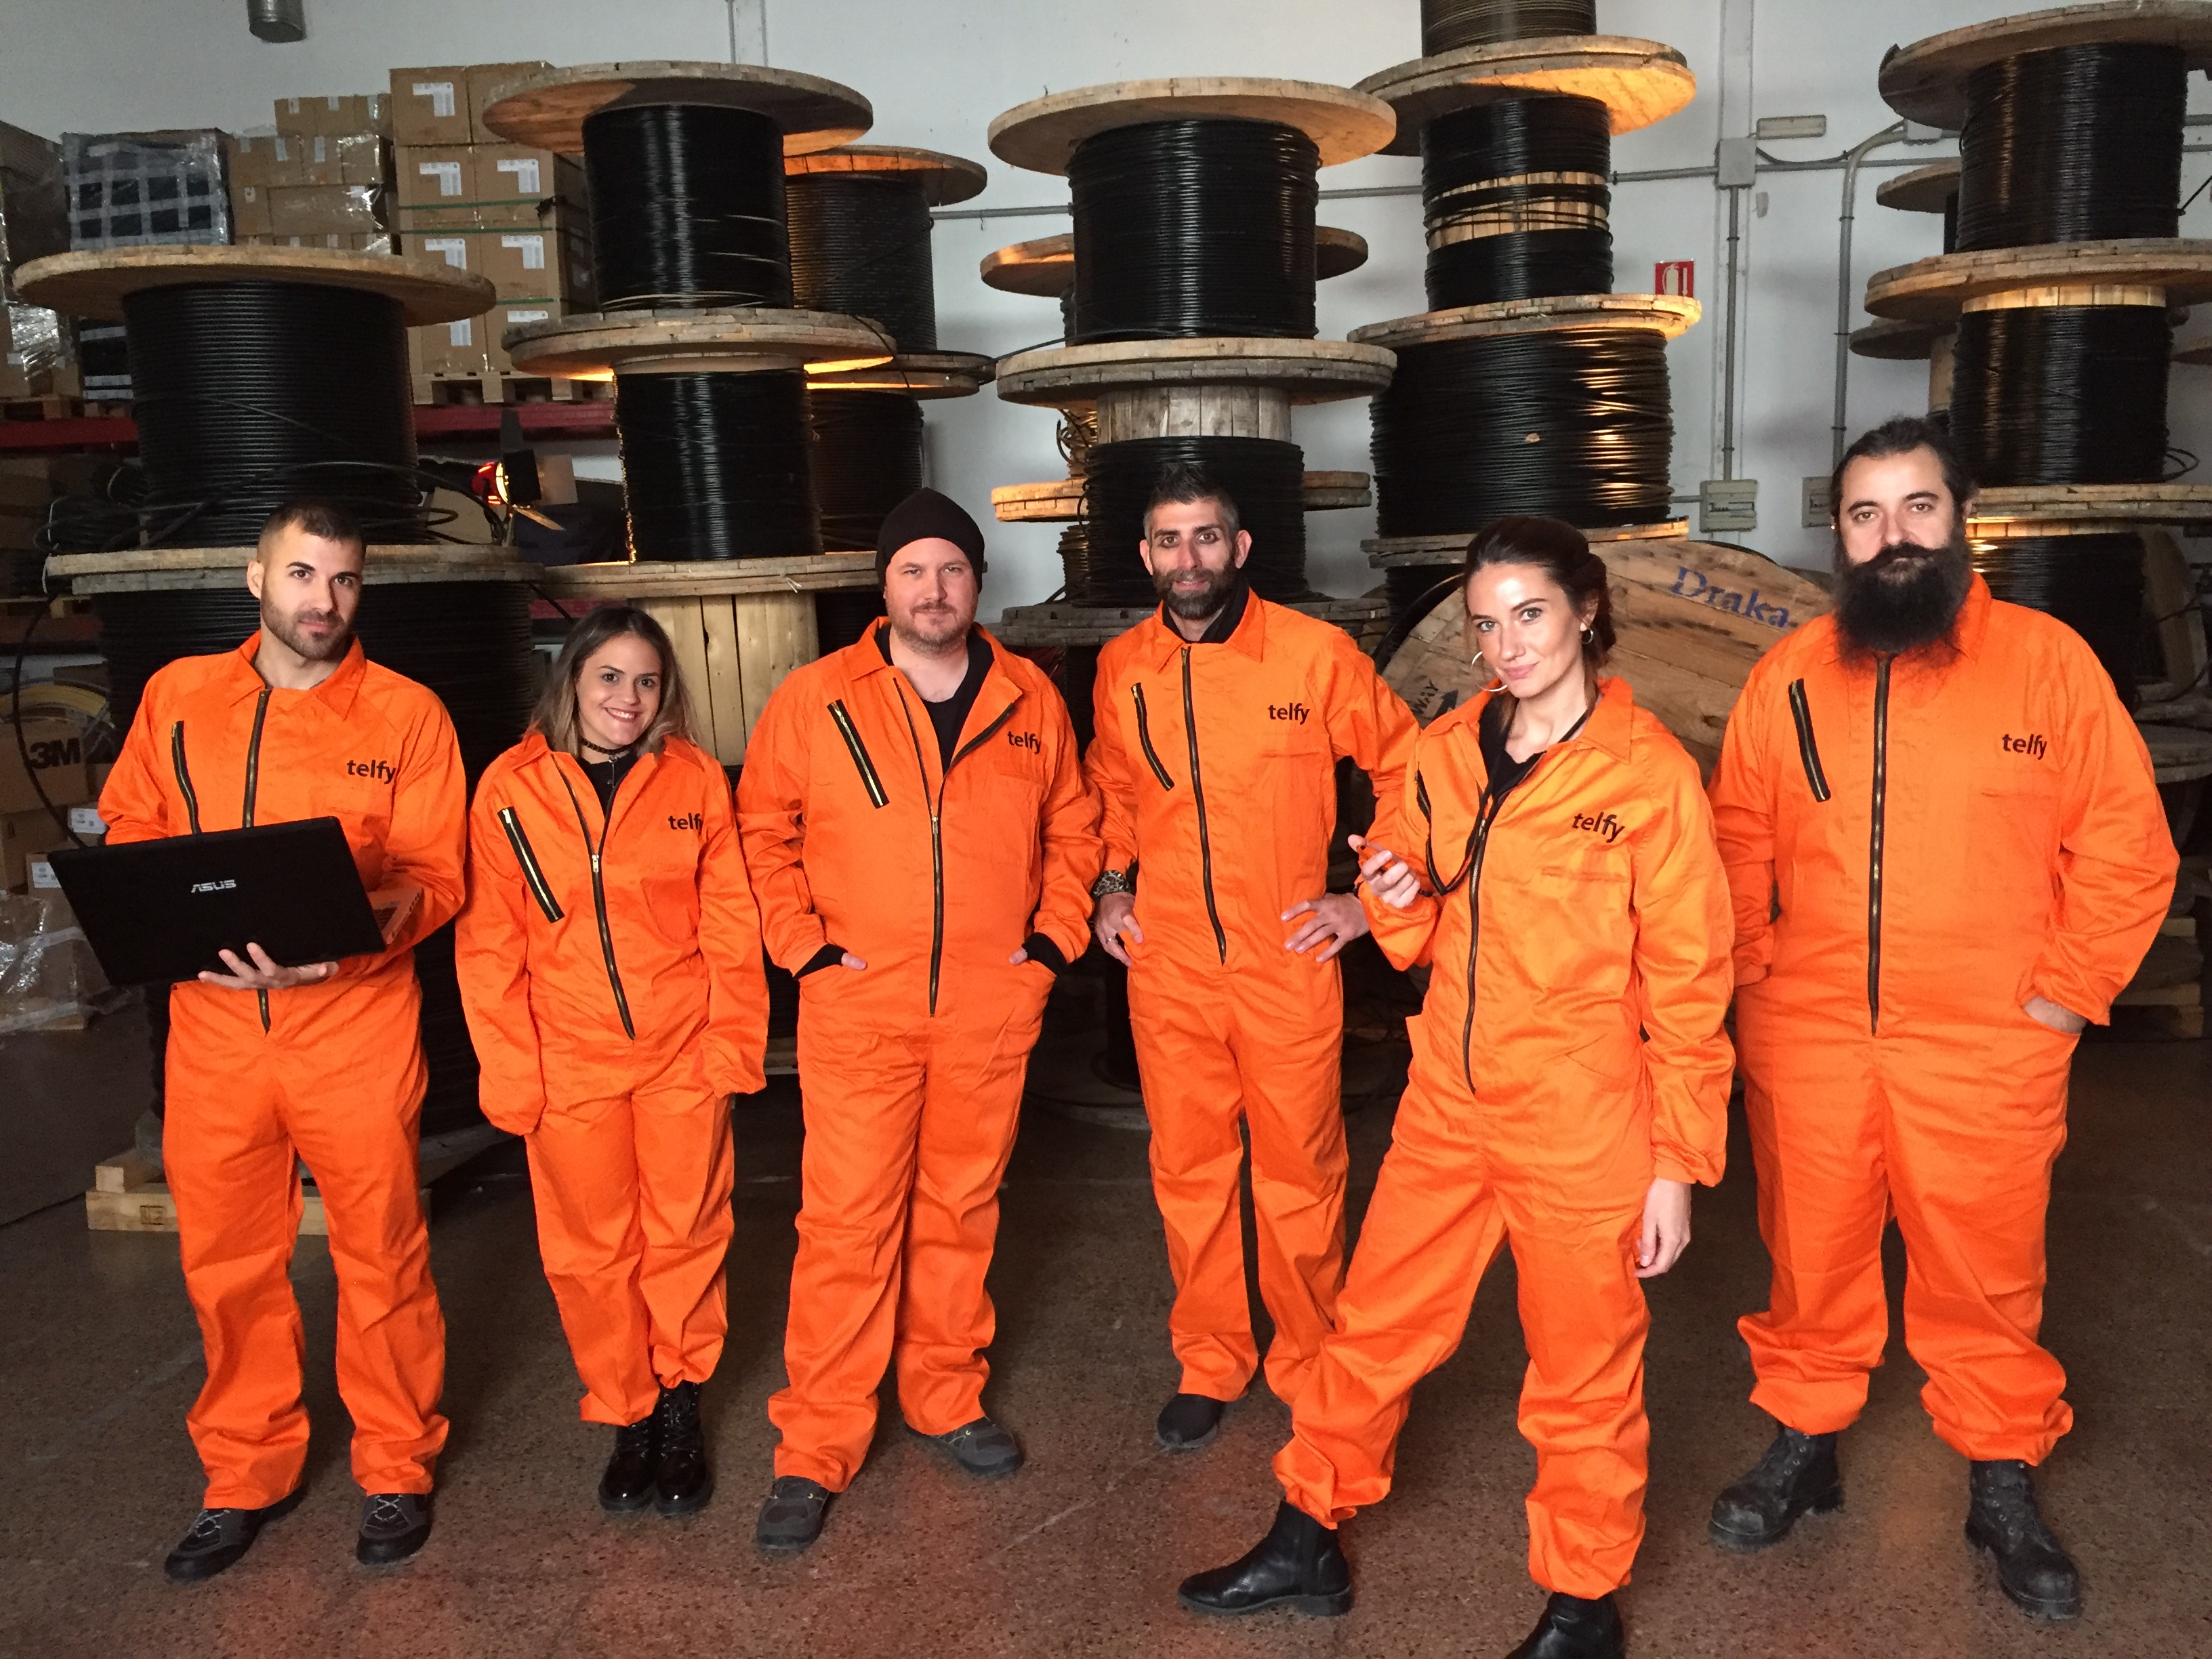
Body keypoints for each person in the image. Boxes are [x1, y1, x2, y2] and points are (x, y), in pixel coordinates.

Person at [1180, 518, 1735, 1659]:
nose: (1507, 645)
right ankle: (1308, 1530)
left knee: (1582, 1373)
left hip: (1582, 1125)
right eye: (1486, 624)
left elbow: (1691, 984)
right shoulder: (1444, 752)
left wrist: (1677, 1165)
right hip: (1448, 1104)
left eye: (1529, 614)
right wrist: (1388, 888)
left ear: (1585, 610)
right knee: (1375, 1328)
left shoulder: (1648, 778)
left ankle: (1584, 1602)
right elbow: (1418, 934)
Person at [1704, 416, 2177, 1622]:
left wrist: (2066, 996)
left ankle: (2002, 1470)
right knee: (1811, 1255)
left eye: (1917, 507)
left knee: (1985, 1266)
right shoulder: (1791, 670)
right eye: (1866, 515)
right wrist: (1756, 982)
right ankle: (1804, 1442)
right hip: (1808, 1035)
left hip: (1987, 1038)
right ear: (1840, 536)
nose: (1892, 535)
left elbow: (2126, 843)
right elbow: (1737, 837)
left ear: (1963, 520)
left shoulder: (2046, 663)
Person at [98, 501, 467, 1580]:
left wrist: (339, 954)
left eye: (345, 582)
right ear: (254, 580)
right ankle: (244, 1473)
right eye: (303, 576)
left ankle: (396, 1466)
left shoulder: (407, 715)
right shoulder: (178, 699)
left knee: (381, 1255)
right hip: (213, 1031)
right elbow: (131, 822)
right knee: (227, 1265)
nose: (324, 602)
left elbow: (437, 877)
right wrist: (169, 913)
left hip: (352, 1027)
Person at [736, 487, 1103, 1552]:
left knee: (960, 1206)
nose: (932, 589)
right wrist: (802, 948)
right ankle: (816, 1443)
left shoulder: (1031, 697)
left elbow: (1074, 830)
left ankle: (945, 1393)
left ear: (977, 584)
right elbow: (764, 831)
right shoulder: (818, 697)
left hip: (990, 1003)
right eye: (912, 570)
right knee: (847, 1224)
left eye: (951, 570)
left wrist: (1050, 945)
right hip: (861, 1004)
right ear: (883, 584)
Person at [1086, 463, 1419, 1451]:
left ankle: (1313, 1357)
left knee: (1302, 1172)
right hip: (1170, 964)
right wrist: (1109, 888)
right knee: (1187, 1173)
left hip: (1285, 959)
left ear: (1239, 549)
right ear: (1146, 557)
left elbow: (1406, 767)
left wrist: (1365, 904)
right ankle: (1211, 1357)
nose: (1186, 558)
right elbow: (1111, 794)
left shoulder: (1314, 658)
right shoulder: (1123, 669)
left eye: (1204, 538)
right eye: (1167, 541)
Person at [455, 606, 766, 1519]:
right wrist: (515, 1072)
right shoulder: (509, 790)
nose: (627, 699)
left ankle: (679, 1404)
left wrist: (731, 1046)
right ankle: (626, 1410)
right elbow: (488, 947)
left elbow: (731, 924)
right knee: (591, 1255)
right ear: (572, 682)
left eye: (647, 682)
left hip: (681, 1055)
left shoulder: (695, 781)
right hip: (568, 1063)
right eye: (609, 678)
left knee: (686, 1235)